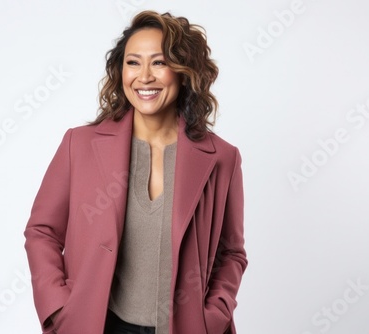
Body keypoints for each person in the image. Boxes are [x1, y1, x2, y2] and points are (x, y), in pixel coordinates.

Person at [24, 10, 247, 334]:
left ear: (184, 71)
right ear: (120, 70)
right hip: (98, 325)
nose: (144, 76)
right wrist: (58, 307)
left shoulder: (222, 158)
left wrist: (212, 316)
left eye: (159, 62)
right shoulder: (80, 144)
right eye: (133, 62)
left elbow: (232, 253)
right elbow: (41, 232)